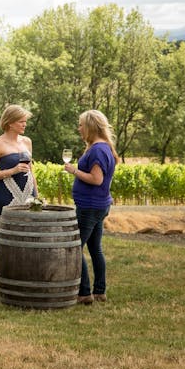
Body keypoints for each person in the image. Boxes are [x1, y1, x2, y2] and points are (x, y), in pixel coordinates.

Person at [63, 109, 117, 305]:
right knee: (95, 248)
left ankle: (85, 293)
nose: (79, 129)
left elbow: (96, 179)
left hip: (90, 207)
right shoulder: (103, 147)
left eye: (81, 125)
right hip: (98, 205)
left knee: (75, 248)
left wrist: (74, 171)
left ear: (91, 126)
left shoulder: (97, 150)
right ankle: (100, 291)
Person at [0, 104, 37, 240]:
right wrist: (13, 171)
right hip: (7, 194)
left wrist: (36, 195)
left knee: (31, 232)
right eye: (21, 121)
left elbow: (31, 171)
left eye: (25, 121)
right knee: (7, 234)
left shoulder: (27, 141)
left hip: (29, 193)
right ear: (10, 123)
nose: (25, 124)